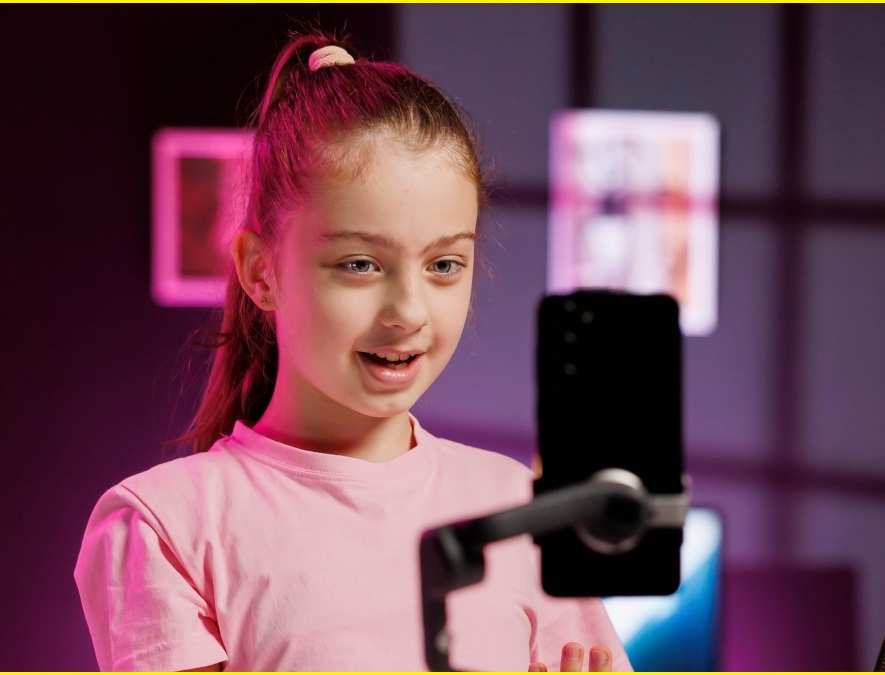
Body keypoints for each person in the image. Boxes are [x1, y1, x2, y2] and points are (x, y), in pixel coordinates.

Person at [74, 32, 632, 672]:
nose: (410, 312)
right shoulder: (159, 527)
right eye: (360, 264)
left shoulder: (523, 511)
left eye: (445, 264)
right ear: (261, 271)